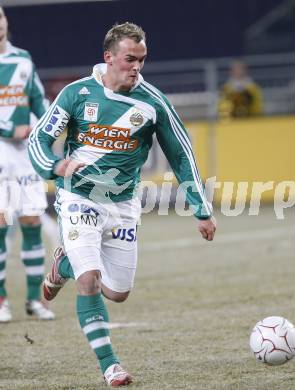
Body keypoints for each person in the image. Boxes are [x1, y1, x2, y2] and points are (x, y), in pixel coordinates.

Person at [28, 22, 216, 387]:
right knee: (91, 280)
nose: (137, 67)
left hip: (123, 205)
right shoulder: (76, 94)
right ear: (108, 57)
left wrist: (201, 208)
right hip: (78, 197)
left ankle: (63, 263)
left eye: (142, 60)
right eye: (130, 59)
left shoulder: (153, 102)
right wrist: (55, 166)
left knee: (118, 292)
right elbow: (39, 139)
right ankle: (110, 366)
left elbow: (181, 155)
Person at [0, 6, 55, 322]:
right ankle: (1, 300)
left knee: (32, 221)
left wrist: (42, 123)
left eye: (1, 17)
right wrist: (9, 129)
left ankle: (35, 299)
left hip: (24, 155)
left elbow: (38, 100)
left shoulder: (22, 58)